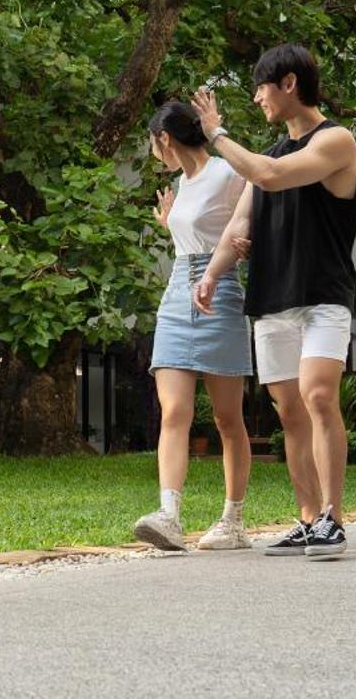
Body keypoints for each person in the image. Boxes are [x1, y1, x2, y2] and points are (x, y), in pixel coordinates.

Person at [193, 44, 356, 560]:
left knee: (317, 396)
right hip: (272, 299)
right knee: (289, 411)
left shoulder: (336, 140)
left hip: (322, 296)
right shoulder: (274, 152)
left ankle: (333, 518)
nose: (257, 97)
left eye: (261, 87)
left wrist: (216, 134)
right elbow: (241, 222)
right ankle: (309, 519)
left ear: (289, 83)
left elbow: (266, 175)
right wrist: (212, 275)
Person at [131, 101, 254, 553]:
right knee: (175, 411)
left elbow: (252, 215)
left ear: (163, 137)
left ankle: (233, 520)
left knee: (226, 418)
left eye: (151, 142)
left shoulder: (225, 172)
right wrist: (172, 227)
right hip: (177, 293)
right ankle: (169, 516)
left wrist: (246, 244)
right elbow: (196, 234)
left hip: (219, 289)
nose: (152, 151)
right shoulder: (180, 184)